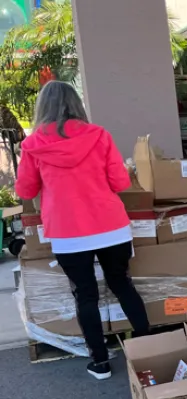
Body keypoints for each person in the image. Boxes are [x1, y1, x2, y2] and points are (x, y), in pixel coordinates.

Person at [15, 81, 150, 380]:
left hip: (67, 232)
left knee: (85, 296)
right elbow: (120, 183)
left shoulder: (33, 145)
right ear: (77, 103)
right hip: (111, 227)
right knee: (122, 284)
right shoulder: (99, 136)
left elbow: (25, 189)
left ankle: (100, 363)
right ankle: (149, 348)